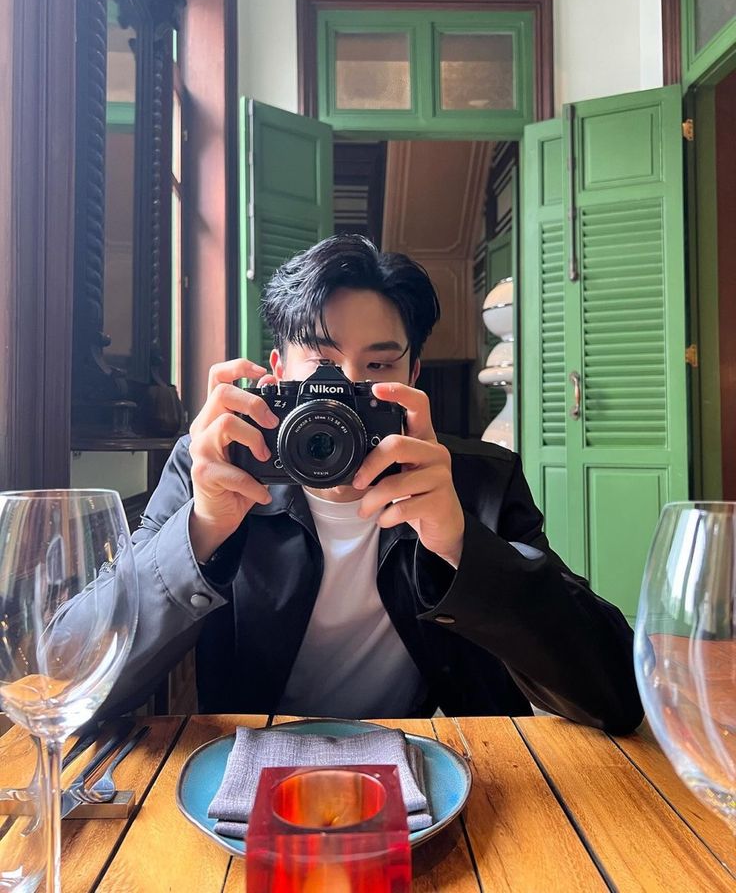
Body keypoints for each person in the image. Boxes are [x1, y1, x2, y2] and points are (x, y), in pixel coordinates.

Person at [103, 234, 643, 733]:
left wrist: (460, 543)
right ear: (276, 373)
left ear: (412, 377)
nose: (343, 391)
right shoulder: (218, 468)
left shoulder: (477, 480)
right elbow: (75, 680)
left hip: (446, 771)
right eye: (320, 363)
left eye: (378, 364)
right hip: (255, 768)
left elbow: (616, 695)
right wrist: (199, 532)